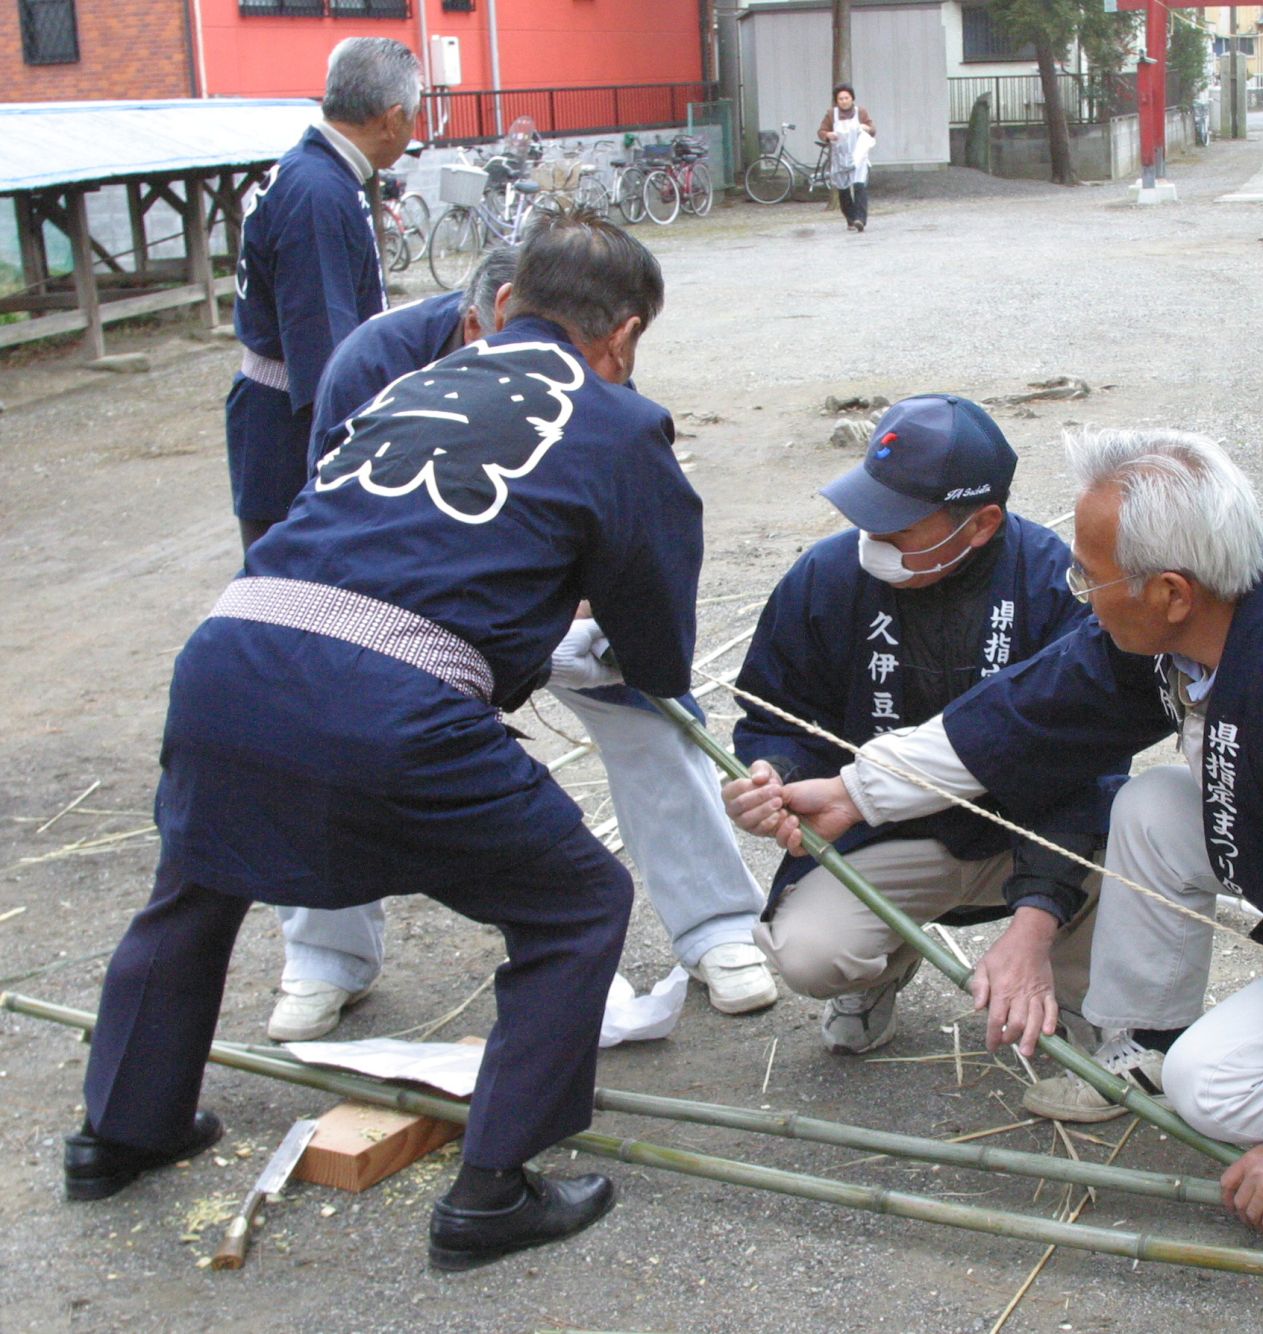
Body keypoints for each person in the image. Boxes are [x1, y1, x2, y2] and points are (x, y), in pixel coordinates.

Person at [66, 208, 691, 1271]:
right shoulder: (621, 421)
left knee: (198, 882)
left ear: (502, 306)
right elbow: (657, 639)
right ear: (623, 336)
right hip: (390, 705)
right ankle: (494, 1186)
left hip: (229, 655)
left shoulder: (406, 385)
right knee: (577, 900)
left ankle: (117, 1132)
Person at [766, 429, 1263, 1234]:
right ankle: (1148, 1038)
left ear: (1171, 591)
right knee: (1151, 807)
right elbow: (1028, 710)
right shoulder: (1220, 614)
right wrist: (856, 791)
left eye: (1091, 576)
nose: (1077, 587)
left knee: (1215, 1088)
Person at [262, 246, 776, 1042]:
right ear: (494, 309)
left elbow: (612, 521)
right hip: (403, 622)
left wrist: (590, 627)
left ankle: (718, 926)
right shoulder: (376, 361)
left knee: (648, 700)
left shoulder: (581, 350)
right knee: (328, 716)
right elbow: (335, 523)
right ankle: (325, 956)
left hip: (535, 608)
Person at [723, 395, 1117, 1059]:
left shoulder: (1056, 588)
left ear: (981, 523)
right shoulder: (825, 577)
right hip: (880, 833)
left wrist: (1037, 915)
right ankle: (879, 968)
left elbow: (1091, 768)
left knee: (1134, 834)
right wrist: (775, 778)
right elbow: (774, 712)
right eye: (867, 519)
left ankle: (1079, 1008)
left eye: (897, 527)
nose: (872, 542)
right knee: (809, 953)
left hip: (1028, 835)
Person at [228, 36, 421, 555]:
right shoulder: (317, 191)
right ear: (392, 118)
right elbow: (326, 357)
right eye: (414, 118)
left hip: (277, 414)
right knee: (293, 584)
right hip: (289, 426)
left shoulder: (319, 172)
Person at [818, 84, 875, 232]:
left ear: (852, 98)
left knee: (859, 186)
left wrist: (868, 129)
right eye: (840, 98)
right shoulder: (831, 114)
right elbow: (822, 131)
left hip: (858, 156)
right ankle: (850, 218)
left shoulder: (860, 112)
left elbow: (872, 129)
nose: (844, 101)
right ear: (836, 101)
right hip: (839, 156)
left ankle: (860, 219)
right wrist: (827, 135)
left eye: (846, 98)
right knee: (843, 190)